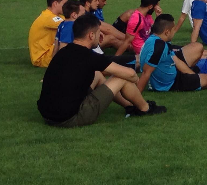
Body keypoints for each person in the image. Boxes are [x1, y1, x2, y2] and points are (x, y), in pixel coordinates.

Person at [37, 13, 167, 127]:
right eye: (99, 32)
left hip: (48, 115)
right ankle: (145, 108)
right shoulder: (90, 56)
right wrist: (135, 79)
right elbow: (131, 74)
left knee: (97, 74)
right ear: (91, 35)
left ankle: (129, 105)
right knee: (121, 77)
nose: (101, 35)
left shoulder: (62, 52)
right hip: (69, 118)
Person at [29, 0, 68, 68]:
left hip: (49, 52)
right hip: (42, 58)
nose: (67, 7)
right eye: (65, 4)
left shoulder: (57, 16)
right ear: (55, 4)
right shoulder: (48, 18)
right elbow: (71, 26)